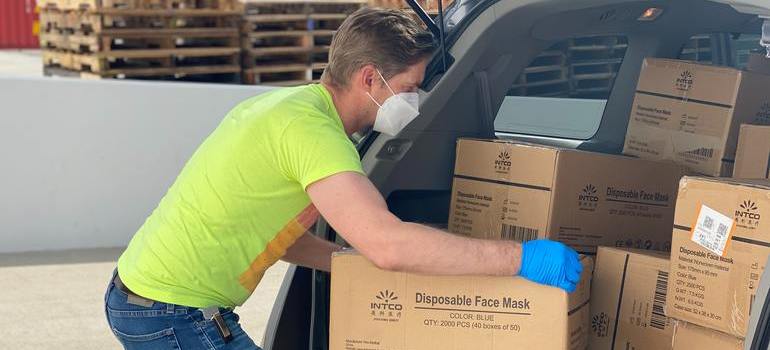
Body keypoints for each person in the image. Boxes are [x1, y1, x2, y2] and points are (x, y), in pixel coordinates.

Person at [104, 7, 582, 350]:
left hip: (146, 297)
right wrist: (520, 257)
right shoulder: (314, 135)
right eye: (410, 88)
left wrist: (351, 263)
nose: (414, 102)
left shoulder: (290, 108)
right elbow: (390, 245)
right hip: (171, 313)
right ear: (370, 79)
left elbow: (275, 235)